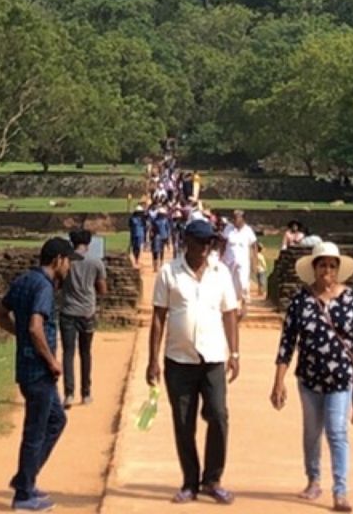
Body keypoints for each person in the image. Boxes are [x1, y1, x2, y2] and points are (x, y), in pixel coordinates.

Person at [270, 241, 353, 514]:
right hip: (309, 378)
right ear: (314, 268)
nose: (327, 270)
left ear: (338, 269)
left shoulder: (350, 299)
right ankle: (313, 480)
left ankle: (340, 490)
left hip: (341, 378)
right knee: (312, 432)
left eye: (332, 266)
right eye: (323, 265)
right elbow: (287, 343)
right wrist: (278, 381)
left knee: (337, 431)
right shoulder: (301, 301)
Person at [147, 216, 240, 505]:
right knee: (184, 422)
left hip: (213, 357)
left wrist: (235, 353)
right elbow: (159, 317)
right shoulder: (169, 272)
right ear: (186, 241)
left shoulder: (220, 272)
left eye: (209, 243)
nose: (204, 248)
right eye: (199, 242)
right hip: (178, 359)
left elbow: (229, 313)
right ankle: (190, 481)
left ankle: (212, 479)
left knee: (219, 416)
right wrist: (153, 360)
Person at [0, 236, 74, 513]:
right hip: (39, 371)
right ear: (58, 260)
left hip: (28, 368)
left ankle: (24, 479)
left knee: (56, 420)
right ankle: (23, 495)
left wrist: (23, 337)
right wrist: (52, 361)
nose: (69, 268)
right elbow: (35, 327)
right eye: (68, 262)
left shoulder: (23, 280)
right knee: (36, 431)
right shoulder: (44, 287)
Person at [59, 228, 107, 408]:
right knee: (85, 353)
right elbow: (102, 290)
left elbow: (58, 283)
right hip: (87, 311)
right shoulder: (96, 262)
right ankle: (86, 393)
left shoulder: (66, 262)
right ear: (88, 243)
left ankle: (69, 394)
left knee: (68, 353)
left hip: (68, 311)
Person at [221, 209, 258, 315]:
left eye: (237, 218)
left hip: (243, 262)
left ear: (242, 219)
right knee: (229, 283)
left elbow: (254, 245)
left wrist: (255, 261)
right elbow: (223, 243)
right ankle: (230, 306)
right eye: (233, 218)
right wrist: (220, 257)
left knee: (243, 282)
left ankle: (244, 302)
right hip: (228, 261)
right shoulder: (228, 229)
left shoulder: (248, 230)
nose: (234, 220)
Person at [129, 204, 148, 268]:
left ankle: (137, 258)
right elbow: (130, 226)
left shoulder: (143, 219)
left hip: (140, 235)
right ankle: (135, 258)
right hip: (134, 234)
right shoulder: (132, 218)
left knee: (139, 247)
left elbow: (145, 227)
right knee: (134, 247)